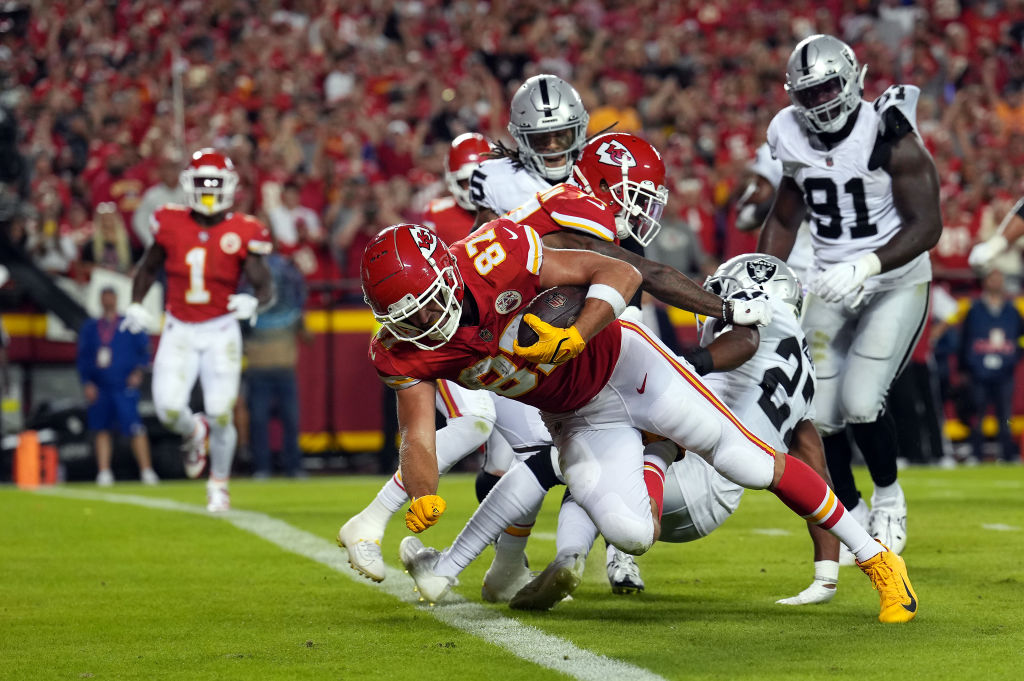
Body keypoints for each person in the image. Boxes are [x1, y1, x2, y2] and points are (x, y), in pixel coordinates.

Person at [364, 222, 918, 624]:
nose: (424, 323)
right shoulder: (402, 350)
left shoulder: (496, 253)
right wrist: (423, 490)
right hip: (575, 418)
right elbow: (417, 432)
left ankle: (877, 559)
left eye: (428, 304)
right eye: (406, 318)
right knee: (632, 535)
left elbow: (620, 271)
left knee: (747, 461)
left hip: (632, 367)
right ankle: (567, 469)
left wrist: (578, 332)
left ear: (445, 270)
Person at [406, 255, 843, 611]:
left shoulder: (749, 329)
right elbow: (813, 468)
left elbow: (744, 340)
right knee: (605, 454)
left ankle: (537, 558)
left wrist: (694, 361)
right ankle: (601, 556)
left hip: (683, 479)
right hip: (716, 507)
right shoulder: (803, 376)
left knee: (572, 456)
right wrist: (827, 571)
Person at [757, 35, 942, 557]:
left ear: (853, 78)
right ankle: (853, 506)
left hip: (894, 278)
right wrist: (766, 275)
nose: (820, 102)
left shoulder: (888, 132)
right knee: (817, 411)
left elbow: (928, 225)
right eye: (809, 93)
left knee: (862, 402)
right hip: (833, 280)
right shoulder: (787, 135)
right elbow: (786, 214)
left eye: (829, 88)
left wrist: (867, 263)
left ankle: (889, 499)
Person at [338, 133, 503, 584]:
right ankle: (372, 521)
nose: (475, 191)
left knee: (510, 454)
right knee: (476, 422)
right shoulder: (437, 216)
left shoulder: (511, 203)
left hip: (494, 331)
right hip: (445, 331)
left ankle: (508, 566)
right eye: (466, 181)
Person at [122, 148, 274, 512]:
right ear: (188, 184)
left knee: (222, 410)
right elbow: (147, 267)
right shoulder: (169, 221)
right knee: (168, 409)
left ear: (229, 186)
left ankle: (218, 484)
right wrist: (136, 303)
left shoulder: (244, 229)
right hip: (178, 328)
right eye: (202, 182)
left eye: (214, 182)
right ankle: (194, 432)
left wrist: (255, 302)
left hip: (221, 330)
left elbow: (264, 284)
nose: (208, 189)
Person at [77, 286, 158, 486]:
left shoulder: (128, 324)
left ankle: (146, 470)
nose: (107, 301)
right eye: (104, 297)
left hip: (123, 385)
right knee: (101, 429)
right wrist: (87, 382)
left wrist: (138, 372)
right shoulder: (91, 327)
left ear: (116, 298)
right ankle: (104, 472)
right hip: (101, 385)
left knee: (135, 427)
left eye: (110, 297)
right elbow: (83, 357)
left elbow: (144, 351)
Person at [243, 251, 307, 478]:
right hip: (262, 368)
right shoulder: (285, 301)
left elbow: (307, 335)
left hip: (279, 367)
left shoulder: (255, 300)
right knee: (261, 421)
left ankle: (288, 467)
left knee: (286, 421)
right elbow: (307, 337)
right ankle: (265, 467)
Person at [958, 268, 1023, 462]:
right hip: (978, 371)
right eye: (993, 279)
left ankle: (1007, 454)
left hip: (1005, 370)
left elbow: (1020, 337)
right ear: (985, 282)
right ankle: (975, 453)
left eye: (999, 279)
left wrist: (1013, 357)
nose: (996, 283)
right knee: (977, 414)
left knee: (1005, 416)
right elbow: (966, 339)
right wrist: (966, 367)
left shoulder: (1013, 310)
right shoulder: (974, 308)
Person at [968, 196, 1024, 271]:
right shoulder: (991, 226)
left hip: (1012, 271)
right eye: (998, 211)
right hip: (993, 270)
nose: (1000, 213)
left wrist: (994, 246)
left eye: (1002, 210)